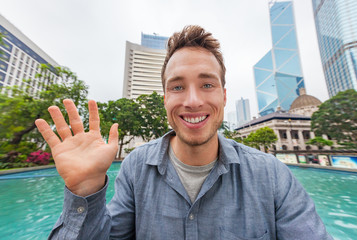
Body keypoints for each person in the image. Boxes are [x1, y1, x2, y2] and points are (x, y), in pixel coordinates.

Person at [36, 25, 333, 239]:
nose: (192, 101)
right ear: (165, 99)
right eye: (177, 87)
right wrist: (85, 190)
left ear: (224, 96)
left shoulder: (271, 174)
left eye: (207, 84)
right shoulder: (136, 168)